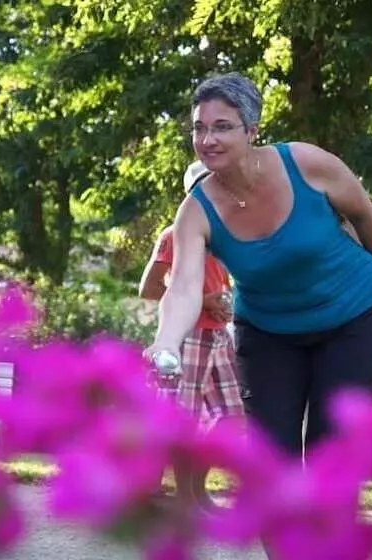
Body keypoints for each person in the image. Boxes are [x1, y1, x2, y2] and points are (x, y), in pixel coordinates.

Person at [145, 72, 372, 459]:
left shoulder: (305, 163)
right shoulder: (195, 211)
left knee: (331, 450)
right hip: (269, 331)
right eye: (199, 129)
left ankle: (329, 519)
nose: (207, 140)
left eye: (222, 127)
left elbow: (366, 215)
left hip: (354, 317)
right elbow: (184, 285)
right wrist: (166, 340)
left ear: (252, 130)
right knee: (271, 456)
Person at [139, 161, 246, 508]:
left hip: (218, 337)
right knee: (182, 419)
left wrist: (225, 305)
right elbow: (149, 288)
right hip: (188, 337)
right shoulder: (173, 234)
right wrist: (205, 301)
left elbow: (221, 285)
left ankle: (196, 490)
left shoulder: (228, 236)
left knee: (232, 417)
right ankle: (186, 497)